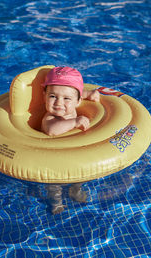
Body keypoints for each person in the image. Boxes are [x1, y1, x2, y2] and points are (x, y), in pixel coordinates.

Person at [41, 66, 100, 214]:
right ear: (44, 96)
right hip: (53, 160)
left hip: (73, 155)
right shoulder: (50, 117)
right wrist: (74, 122)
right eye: (52, 96)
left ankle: (75, 191)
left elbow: (78, 93)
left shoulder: (76, 99)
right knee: (54, 186)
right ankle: (56, 204)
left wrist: (90, 94)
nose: (59, 103)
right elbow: (51, 130)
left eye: (66, 98)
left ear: (78, 101)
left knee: (81, 175)